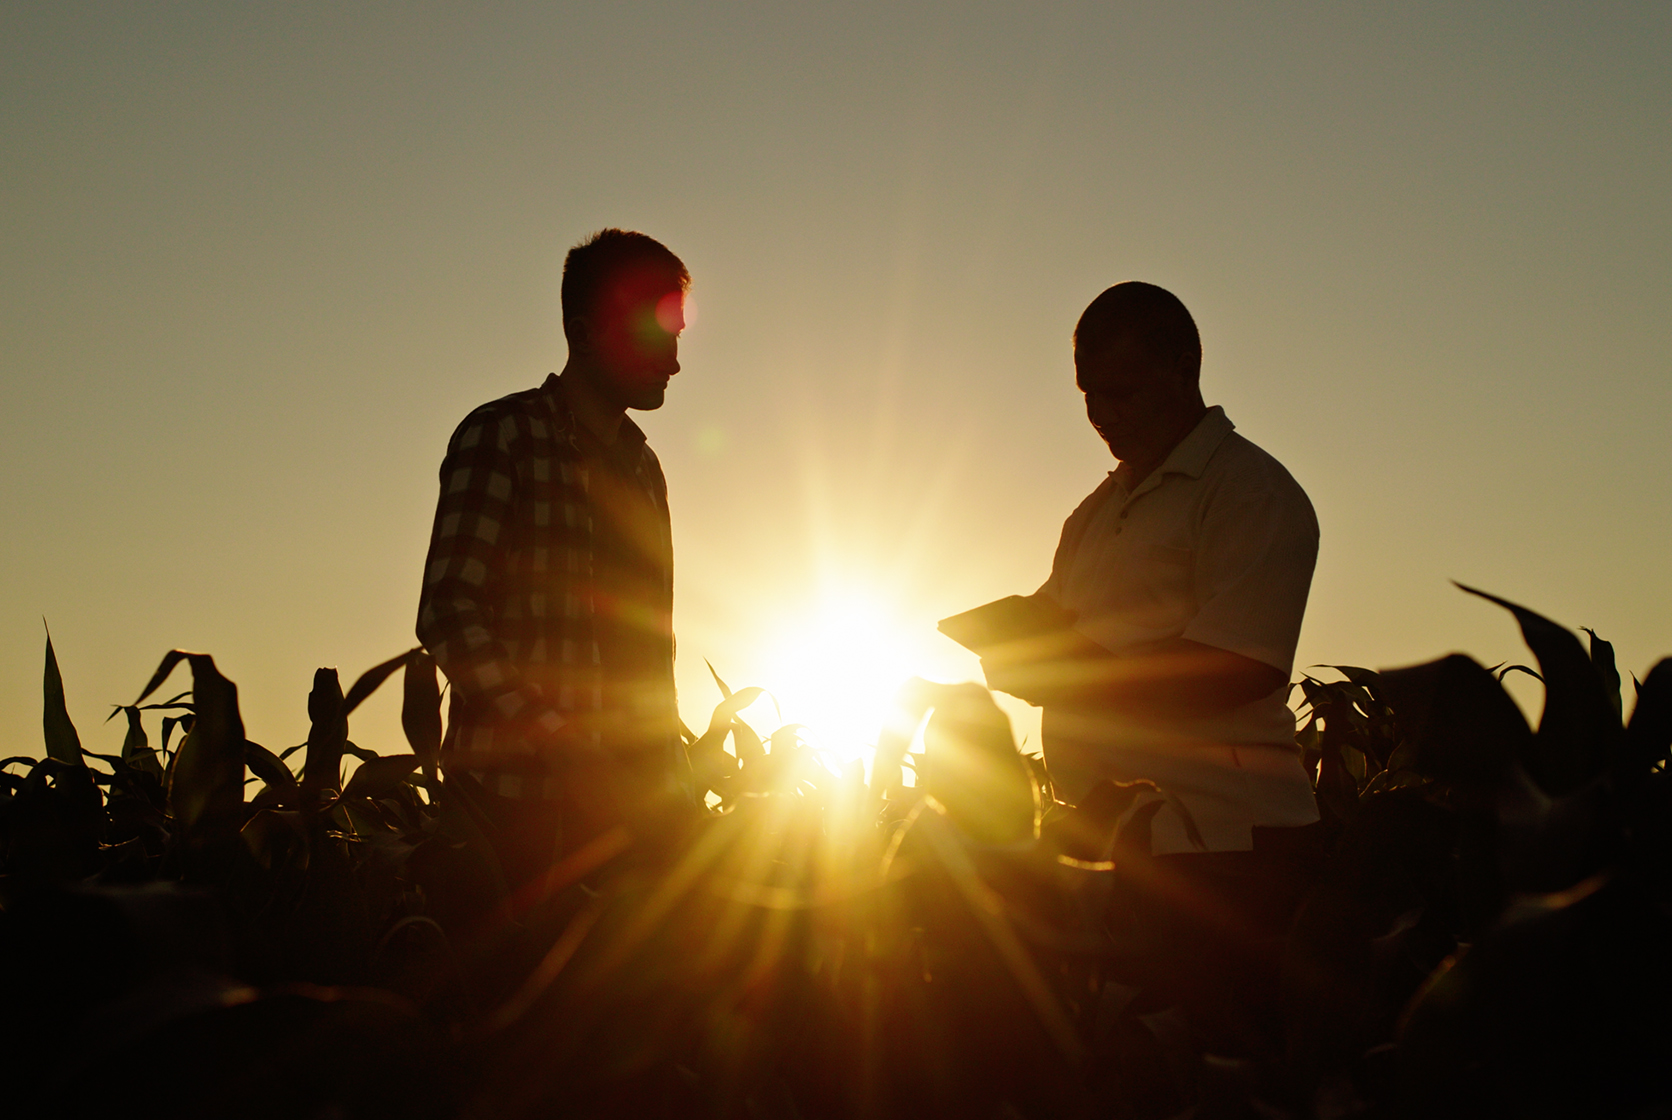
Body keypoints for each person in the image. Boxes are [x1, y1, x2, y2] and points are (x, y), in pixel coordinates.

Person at [980, 281, 1321, 1063]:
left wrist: (1079, 677)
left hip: (1225, 853)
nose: (1101, 413)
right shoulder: (1094, 515)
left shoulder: (1251, 492)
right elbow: (1055, 633)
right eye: (1088, 393)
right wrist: (1012, 651)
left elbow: (1240, 667)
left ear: (1184, 366)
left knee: (1218, 1069)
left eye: (1122, 390)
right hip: (1113, 854)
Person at [416, 228, 692, 894]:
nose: (675, 362)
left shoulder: (644, 471)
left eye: (678, 336)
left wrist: (672, 786)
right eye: (657, 334)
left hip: (628, 821)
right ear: (584, 329)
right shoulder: (501, 436)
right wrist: (559, 746)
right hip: (510, 816)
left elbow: (652, 649)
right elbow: (449, 612)